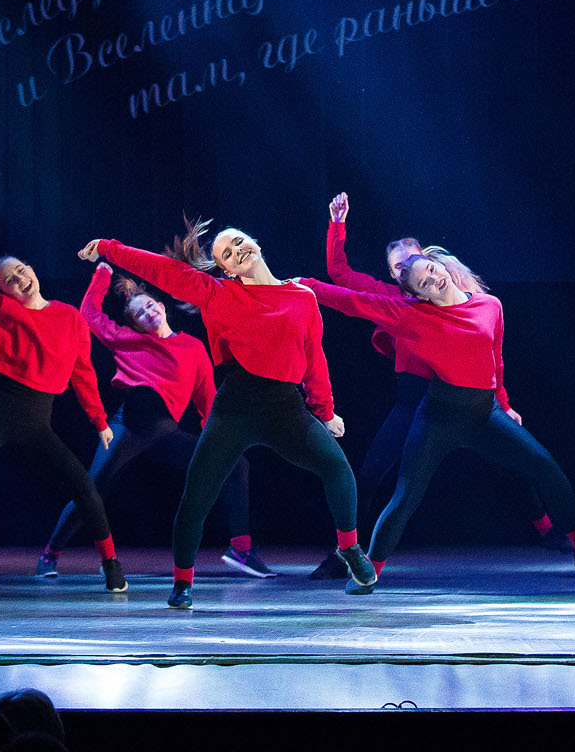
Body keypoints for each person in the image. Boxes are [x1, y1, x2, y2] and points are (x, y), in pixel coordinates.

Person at [301, 205, 575, 581]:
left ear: (431, 260)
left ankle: (553, 532)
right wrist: (334, 230)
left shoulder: (478, 303)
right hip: (420, 400)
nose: (411, 269)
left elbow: (492, 358)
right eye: (400, 268)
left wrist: (504, 404)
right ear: (396, 276)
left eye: (417, 261)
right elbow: (344, 285)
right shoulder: (398, 304)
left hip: (475, 399)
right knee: (376, 478)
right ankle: (348, 557)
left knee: (525, 460)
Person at [79, 221, 375, 607]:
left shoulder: (303, 297)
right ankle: (182, 583)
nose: (237, 252)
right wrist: (108, 247)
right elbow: (161, 270)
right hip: (235, 407)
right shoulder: (217, 293)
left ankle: (349, 549)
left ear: (255, 241)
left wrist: (326, 410)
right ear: (227, 270)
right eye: (227, 256)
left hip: (285, 408)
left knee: (337, 468)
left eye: (238, 243)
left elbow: (313, 355)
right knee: (197, 496)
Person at [36, 262, 269, 578]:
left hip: (166, 434)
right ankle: (49, 554)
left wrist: (218, 442)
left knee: (237, 463)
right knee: (92, 490)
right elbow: (89, 313)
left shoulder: (193, 347)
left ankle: (241, 549)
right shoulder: (126, 340)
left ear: (161, 306)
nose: (148, 313)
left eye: (149, 306)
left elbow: (207, 401)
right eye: (140, 315)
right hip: (130, 424)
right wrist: (102, 275)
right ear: (136, 324)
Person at [0, 232, 124, 595]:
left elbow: (83, 374)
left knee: (83, 485)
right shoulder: (3, 310)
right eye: (9, 280)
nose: (19, 280)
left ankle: (111, 565)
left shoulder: (70, 318)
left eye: (20, 271)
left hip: (37, 422)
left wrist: (100, 421)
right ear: (4, 291)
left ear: (31, 269)